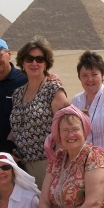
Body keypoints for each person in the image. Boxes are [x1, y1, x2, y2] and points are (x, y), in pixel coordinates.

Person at [9, 36, 67, 189]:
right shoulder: (17, 93)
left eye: (40, 59)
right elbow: (15, 128)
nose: (34, 63)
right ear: (22, 62)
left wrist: (56, 165)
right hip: (22, 168)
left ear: (46, 63)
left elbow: (66, 129)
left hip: (48, 165)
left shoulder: (53, 90)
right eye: (29, 59)